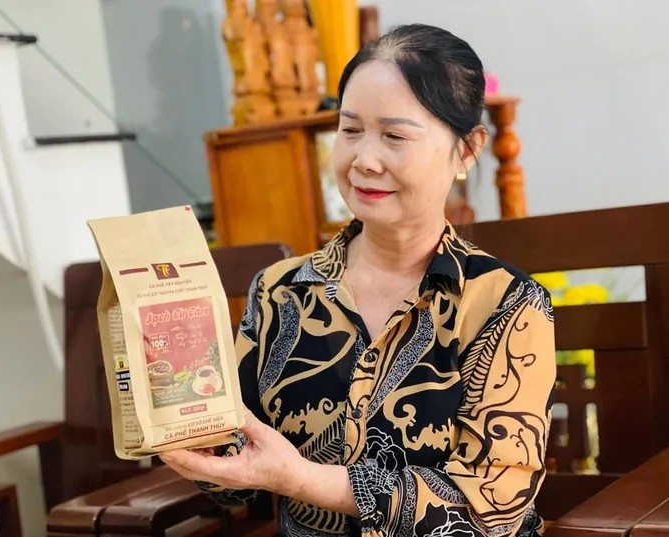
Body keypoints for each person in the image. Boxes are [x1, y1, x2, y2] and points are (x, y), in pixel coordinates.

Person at [161, 24, 556, 537]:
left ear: (467, 150)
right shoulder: (279, 291)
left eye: (394, 136)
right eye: (349, 130)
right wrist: (187, 426)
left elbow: (489, 512)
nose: (363, 160)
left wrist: (303, 480)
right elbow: (240, 480)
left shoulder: (507, 304)